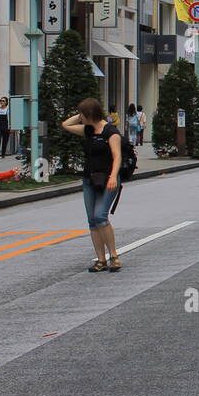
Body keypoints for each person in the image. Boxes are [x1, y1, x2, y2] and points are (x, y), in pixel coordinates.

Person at [62, 99, 124, 272]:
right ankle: (101, 259)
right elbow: (65, 125)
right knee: (92, 220)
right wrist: (81, 114)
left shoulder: (111, 132)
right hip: (90, 179)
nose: (80, 118)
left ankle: (114, 256)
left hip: (108, 179)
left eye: (82, 114)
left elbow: (117, 156)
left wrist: (113, 176)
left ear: (89, 115)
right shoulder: (88, 130)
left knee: (100, 216)